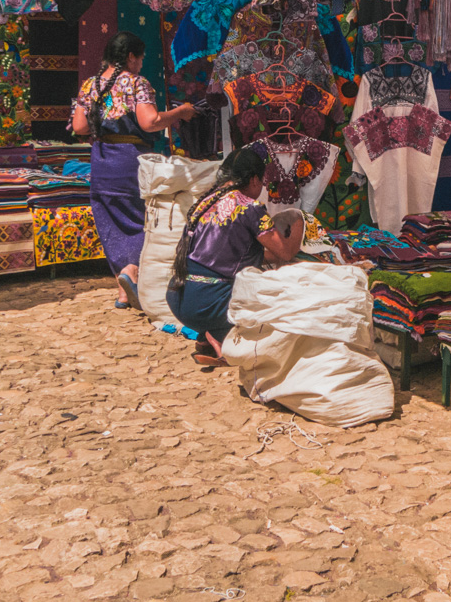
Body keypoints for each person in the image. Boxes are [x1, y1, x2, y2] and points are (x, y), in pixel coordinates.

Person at [71, 31, 194, 309]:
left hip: (102, 162)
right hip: (131, 162)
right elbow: (150, 122)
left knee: (110, 222)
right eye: (140, 58)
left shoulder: (90, 84)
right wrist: (180, 112)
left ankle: (124, 289)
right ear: (130, 57)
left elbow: (79, 128)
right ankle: (132, 271)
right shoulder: (136, 83)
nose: (141, 64)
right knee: (141, 219)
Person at [166, 147, 303, 365]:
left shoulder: (203, 203)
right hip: (209, 304)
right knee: (275, 308)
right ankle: (221, 339)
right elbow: (285, 252)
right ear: (255, 180)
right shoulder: (250, 208)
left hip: (178, 297)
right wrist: (299, 223)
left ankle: (206, 336)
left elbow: (232, 255)